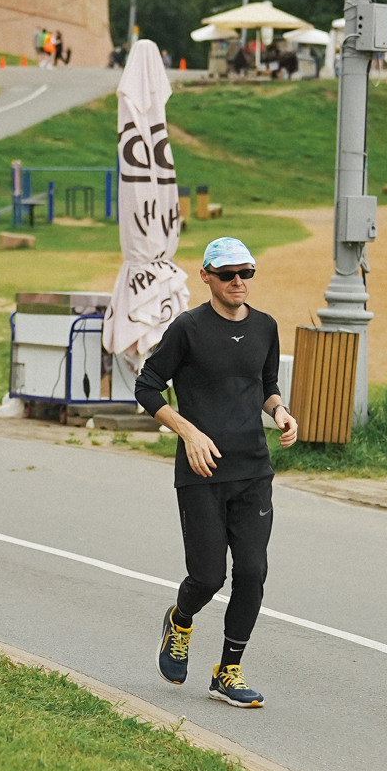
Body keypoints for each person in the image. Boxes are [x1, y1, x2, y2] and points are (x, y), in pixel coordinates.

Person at [135, 235, 298, 709]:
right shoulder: (187, 329)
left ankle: (228, 671)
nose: (238, 282)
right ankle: (180, 619)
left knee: (252, 571)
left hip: (253, 470)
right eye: (228, 274)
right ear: (206, 276)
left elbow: (265, 386)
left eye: (246, 273)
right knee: (208, 577)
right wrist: (188, 432)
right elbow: (148, 388)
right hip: (201, 471)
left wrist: (280, 411)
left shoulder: (266, 327)